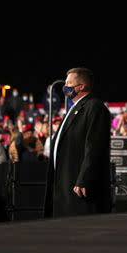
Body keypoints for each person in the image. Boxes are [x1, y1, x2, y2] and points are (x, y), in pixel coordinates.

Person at [47, 67, 112, 218]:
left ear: (81, 86)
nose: (65, 86)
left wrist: (84, 178)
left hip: (79, 186)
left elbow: (94, 147)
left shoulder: (94, 107)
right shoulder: (74, 108)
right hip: (64, 183)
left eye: (69, 83)